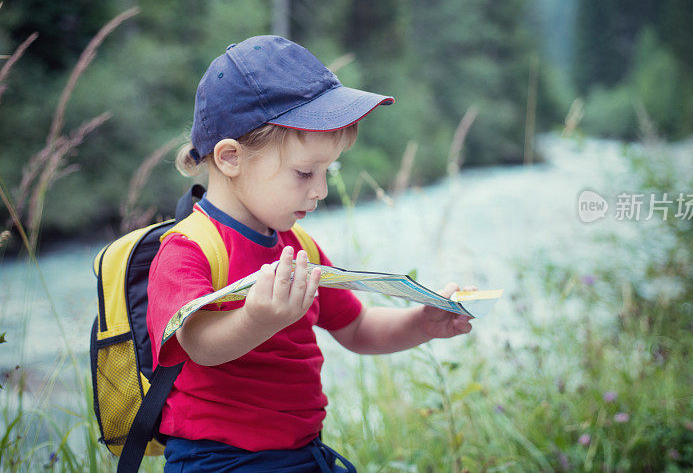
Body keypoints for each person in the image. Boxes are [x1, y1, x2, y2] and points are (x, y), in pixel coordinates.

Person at [146, 35, 475, 472]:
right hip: (220, 460)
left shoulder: (299, 246)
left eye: (327, 170)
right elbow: (197, 344)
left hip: (301, 453)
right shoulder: (188, 251)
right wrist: (257, 319)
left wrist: (422, 324)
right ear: (229, 158)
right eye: (304, 172)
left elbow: (355, 326)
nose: (319, 190)